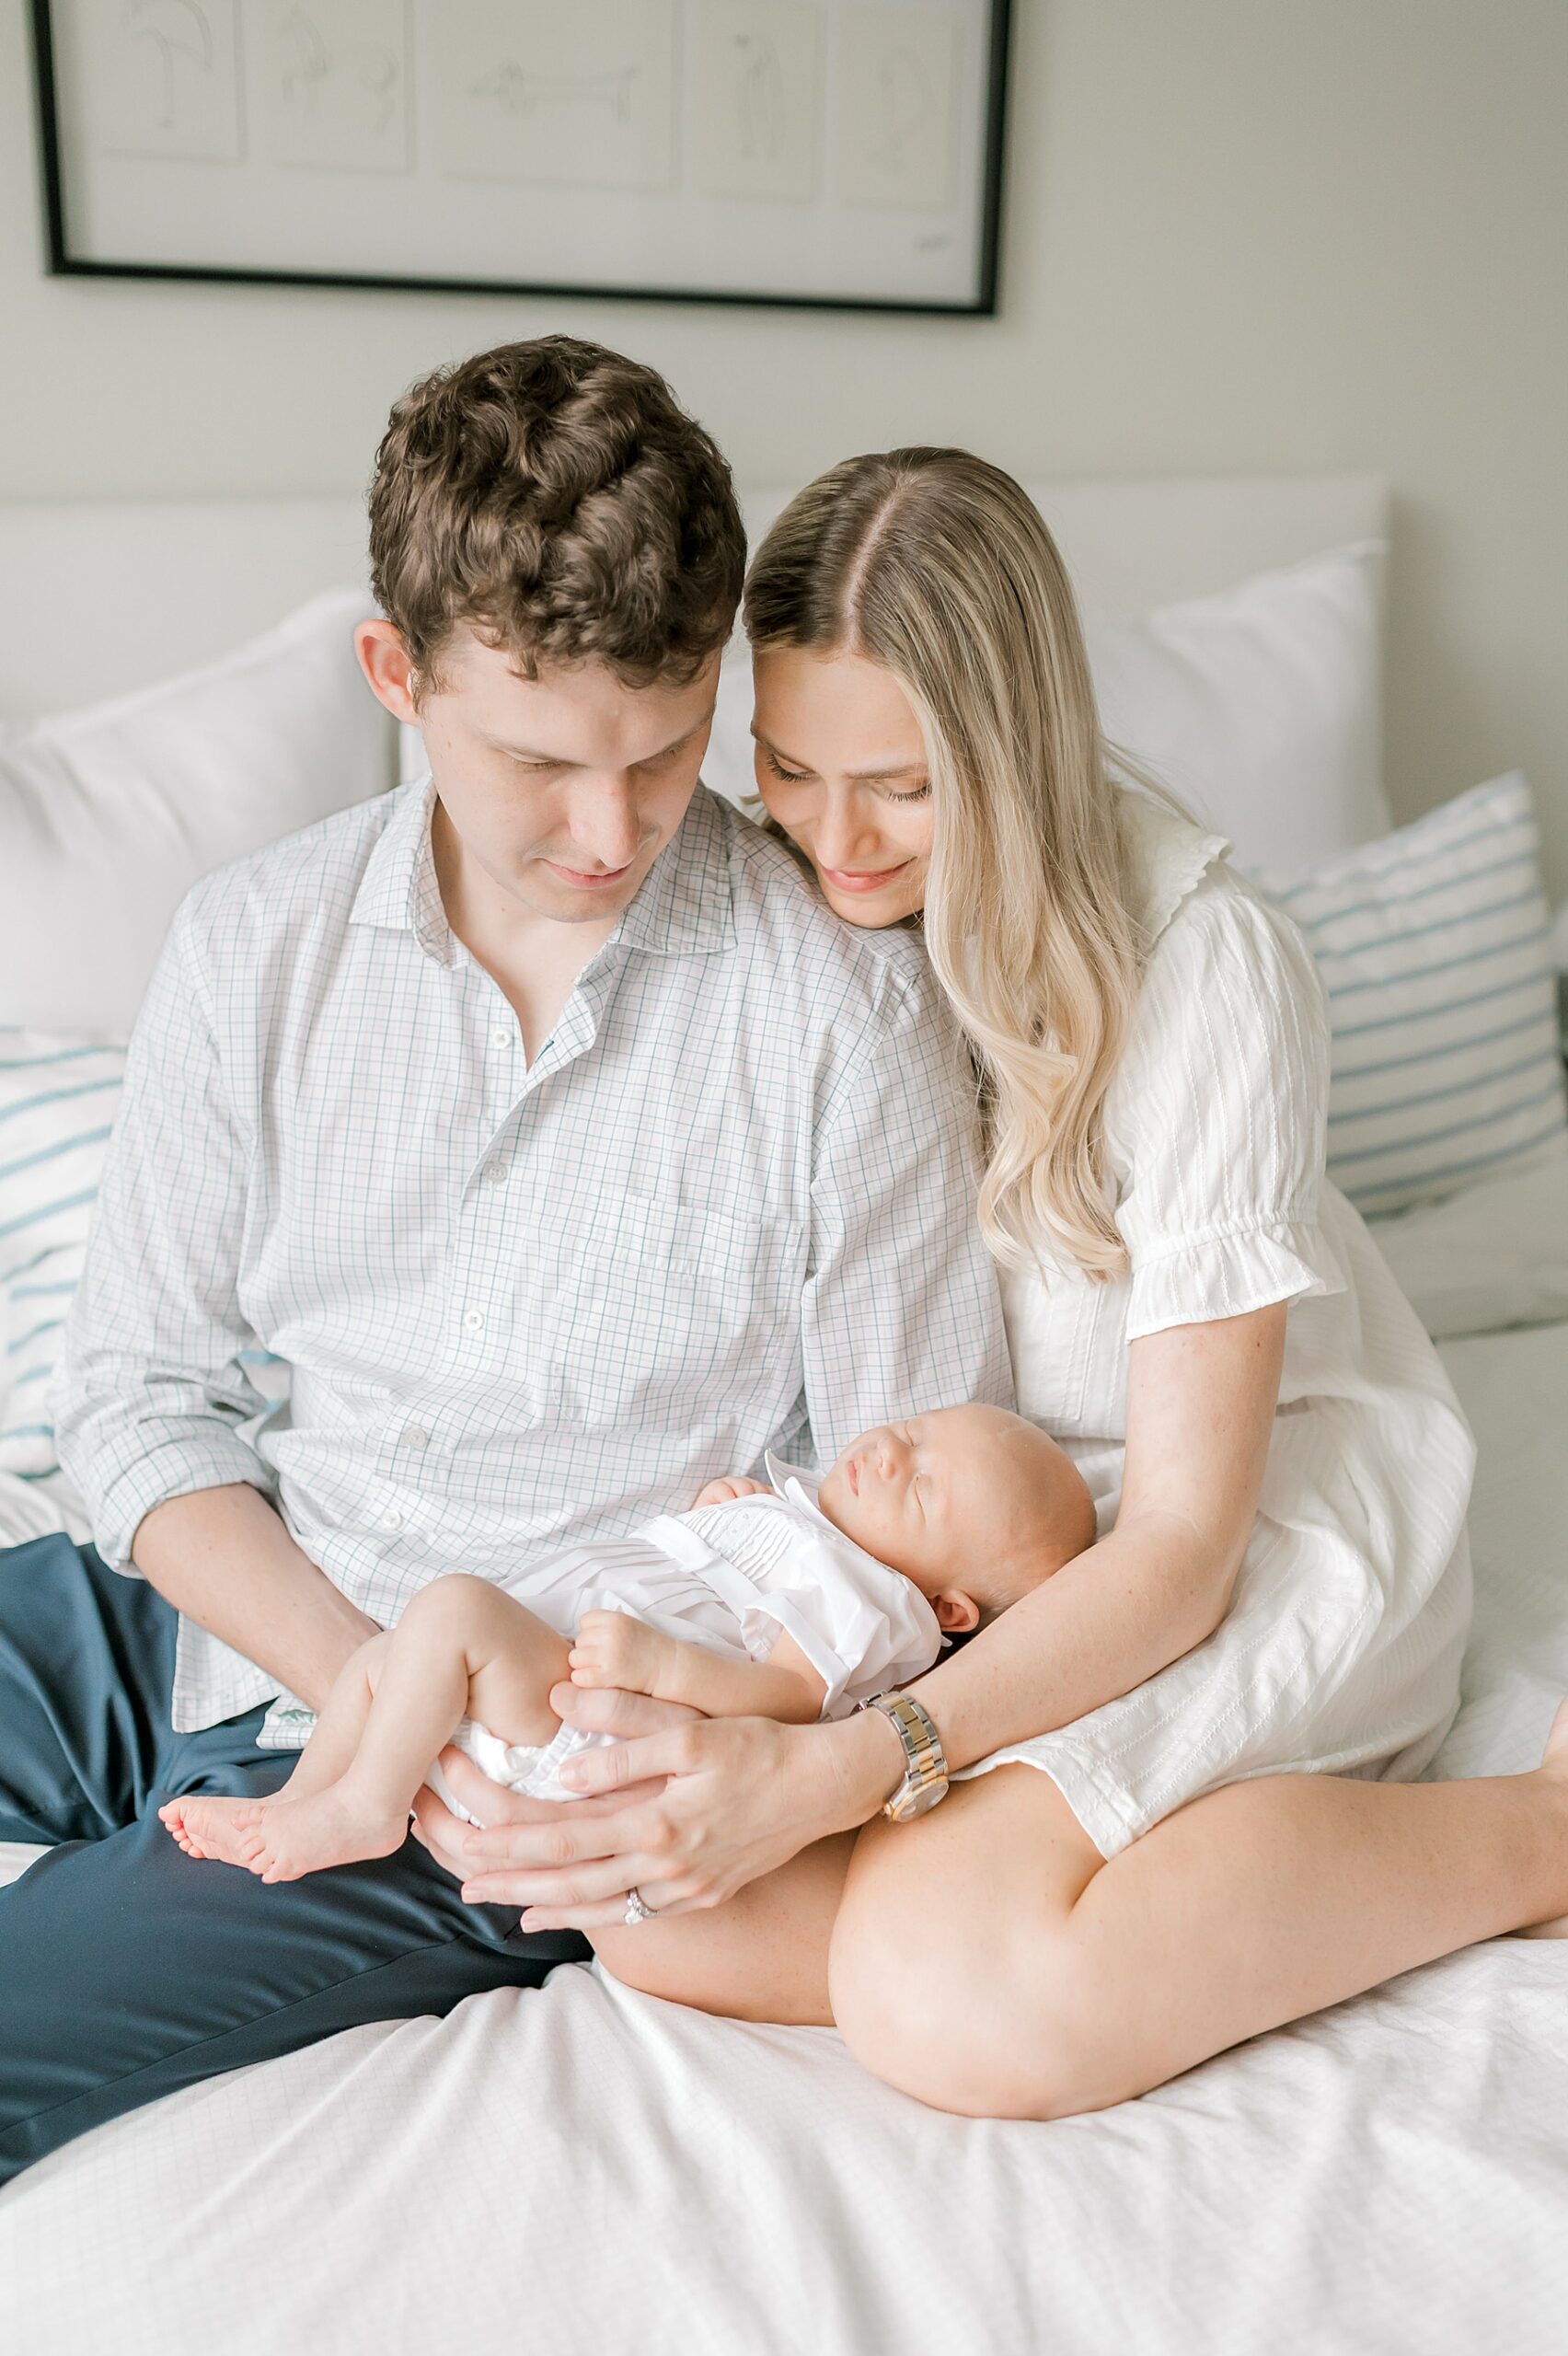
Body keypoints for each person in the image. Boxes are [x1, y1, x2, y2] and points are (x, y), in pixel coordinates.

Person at [420, 447, 1568, 2110]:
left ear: (1013, 753)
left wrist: (849, 1766)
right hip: (969, 1535)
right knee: (655, 1918)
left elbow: (1176, 1546)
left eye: (898, 785)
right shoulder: (798, 900)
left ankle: (1526, 1834)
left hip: (1236, 1517)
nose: (831, 839)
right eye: (789, 770)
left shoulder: (1206, 963)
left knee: (949, 2000)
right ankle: (1023, 1894)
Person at [0, 353, 1012, 2184]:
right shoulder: (255, 942)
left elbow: (901, 1512)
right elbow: (138, 1393)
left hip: (509, 1775)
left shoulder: (842, 1011)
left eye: (664, 742)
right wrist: (368, 1676)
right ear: (397, 679)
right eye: (538, 761)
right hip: (226, 1621)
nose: (611, 833)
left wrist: (468, 1729)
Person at [156, 1405, 1091, 1977]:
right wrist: (725, 1522)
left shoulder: (874, 1602)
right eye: (917, 1432)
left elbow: (789, 1700)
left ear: (948, 1607)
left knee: (448, 1613)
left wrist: (670, 1667)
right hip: (564, 1677)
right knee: (381, 1660)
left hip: (589, 1722)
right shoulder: (814, 1530)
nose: (891, 1453)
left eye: (922, 1488)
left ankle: (364, 1805)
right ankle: (300, 1800)